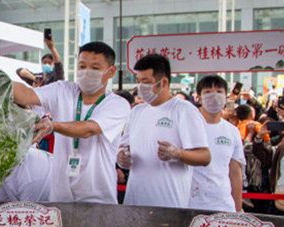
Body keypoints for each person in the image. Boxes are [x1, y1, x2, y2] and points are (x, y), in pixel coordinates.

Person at [12, 41, 130, 204]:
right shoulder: (63, 90)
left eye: (95, 68)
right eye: (82, 66)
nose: (87, 72)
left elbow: (89, 129)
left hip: (98, 199)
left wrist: (54, 125)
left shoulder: (117, 104)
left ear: (111, 72)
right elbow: (27, 95)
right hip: (60, 197)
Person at [116, 54, 210, 208]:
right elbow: (124, 147)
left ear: (164, 82)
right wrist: (121, 156)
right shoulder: (137, 111)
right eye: (138, 82)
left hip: (168, 204)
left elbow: (205, 157)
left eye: (146, 82)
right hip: (135, 202)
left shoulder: (183, 110)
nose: (140, 87)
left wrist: (177, 153)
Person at [189, 75, 245, 212]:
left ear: (226, 97)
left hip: (223, 206)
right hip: (189, 205)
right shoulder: (187, 126)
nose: (214, 96)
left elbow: (235, 172)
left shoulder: (232, 131)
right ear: (199, 97)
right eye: (208, 92)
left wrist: (238, 210)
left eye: (219, 92)